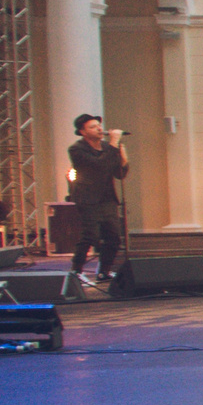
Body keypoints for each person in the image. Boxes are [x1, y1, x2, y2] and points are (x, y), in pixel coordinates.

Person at [67, 113, 128, 289]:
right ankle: (76, 271)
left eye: (99, 125)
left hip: (107, 198)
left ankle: (104, 271)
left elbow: (119, 174)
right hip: (88, 198)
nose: (99, 129)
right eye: (93, 127)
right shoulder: (77, 149)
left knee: (114, 237)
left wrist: (124, 158)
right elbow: (99, 166)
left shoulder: (107, 147)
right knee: (90, 235)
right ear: (82, 132)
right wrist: (114, 143)